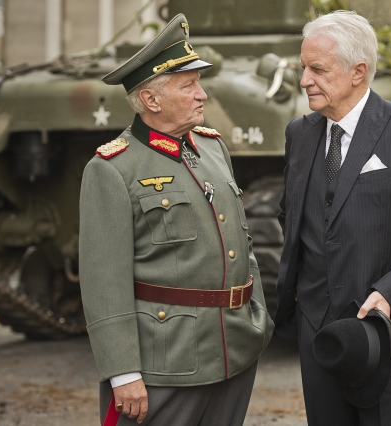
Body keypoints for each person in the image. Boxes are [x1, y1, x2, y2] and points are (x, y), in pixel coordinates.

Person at [79, 14, 273, 426]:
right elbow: (103, 282)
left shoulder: (212, 148)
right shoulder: (113, 168)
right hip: (166, 362)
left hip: (234, 349)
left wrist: (256, 314)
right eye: (189, 86)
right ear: (152, 100)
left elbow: (240, 241)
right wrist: (123, 373)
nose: (203, 94)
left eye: (199, 82)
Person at [273, 10, 391, 426]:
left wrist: (390, 293)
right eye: (303, 68)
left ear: (358, 71)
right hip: (319, 336)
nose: (304, 80)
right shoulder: (298, 134)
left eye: (318, 69)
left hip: (385, 332)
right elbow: (293, 215)